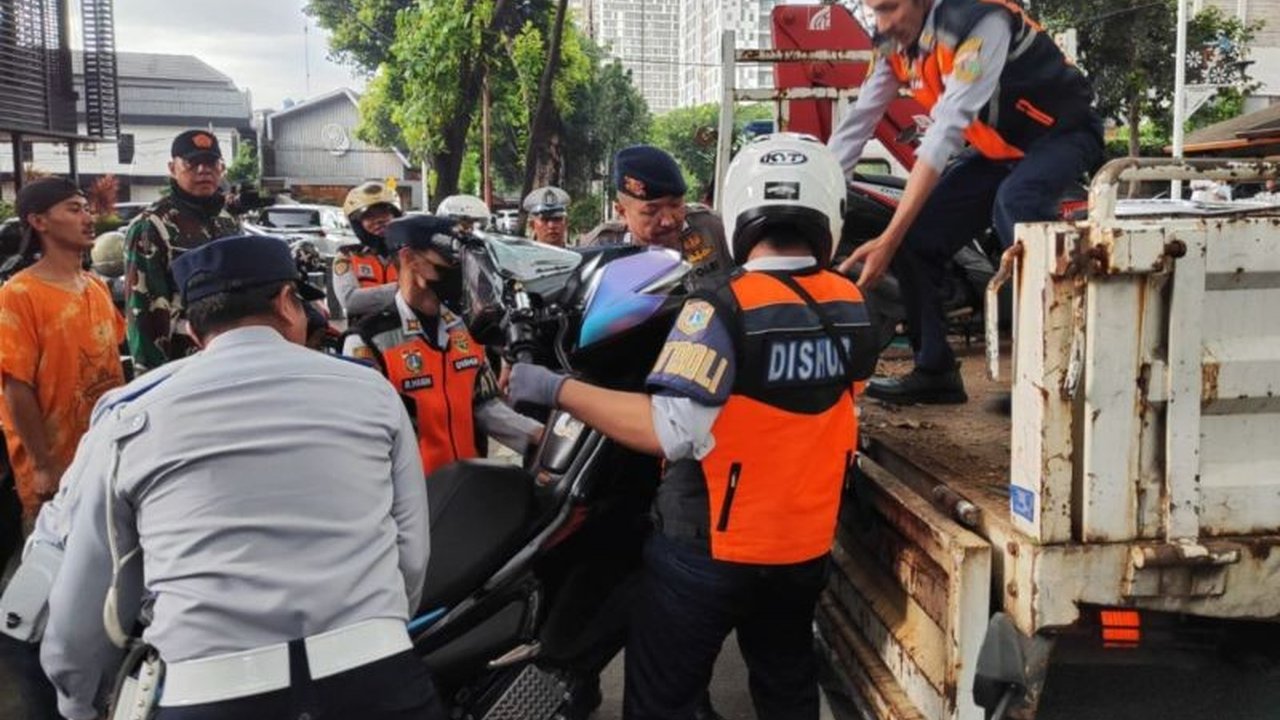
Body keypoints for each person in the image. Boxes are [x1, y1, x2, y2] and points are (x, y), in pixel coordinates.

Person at [509, 135, 874, 720]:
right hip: (801, 544)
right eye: (650, 209)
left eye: (673, 206)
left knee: (664, 694)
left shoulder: (720, 306)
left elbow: (673, 429)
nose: (668, 220)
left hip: (712, 539)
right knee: (786, 683)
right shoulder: (856, 305)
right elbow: (838, 396)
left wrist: (555, 390)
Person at [40, 234, 440, 720]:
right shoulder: (370, 393)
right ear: (287, 303)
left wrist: (78, 701)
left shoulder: (130, 417)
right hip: (377, 679)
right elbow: (411, 555)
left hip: (209, 694)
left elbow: (90, 602)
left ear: (191, 327)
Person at [829, 0, 1103, 404]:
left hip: (1063, 134)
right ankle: (935, 370)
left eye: (890, 9)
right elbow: (857, 124)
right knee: (916, 240)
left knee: (1018, 206)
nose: (883, 24)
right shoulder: (892, 43)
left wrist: (886, 238)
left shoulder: (979, 23)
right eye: (874, 12)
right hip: (1000, 150)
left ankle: (1049, 377)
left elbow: (945, 133)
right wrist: (822, 210)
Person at [344, 215, 542, 474]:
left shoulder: (465, 329)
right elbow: (365, 442)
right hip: (411, 499)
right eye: (448, 258)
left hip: (467, 488)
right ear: (409, 258)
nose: (458, 268)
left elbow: (484, 407)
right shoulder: (367, 340)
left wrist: (543, 438)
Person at [0, 178, 125, 533]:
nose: (87, 218)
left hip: (103, 461)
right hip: (56, 473)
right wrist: (41, 465)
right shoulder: (19, 294)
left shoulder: (96, 286)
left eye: (86, 208)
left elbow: (111, 363)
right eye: (73, 209)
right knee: (49, 576)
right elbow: (15, 385)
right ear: (39, 221)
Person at [124, 129, 241, 373]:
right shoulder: (152, 225)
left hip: (231, 354)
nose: (203, 170)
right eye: (192, 162)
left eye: (210, 162)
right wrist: (150, 378)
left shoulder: (227, 220)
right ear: (172, 167)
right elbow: (143, 310)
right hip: (183, 361)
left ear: (221, 168)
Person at [580, 145, 732, 289]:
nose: (668, 221)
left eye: (675, 205)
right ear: (622, 212)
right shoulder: (599, 250)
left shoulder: (711, 228)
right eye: (651, 212)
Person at [333, 181, 403, 322]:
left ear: (396, 215)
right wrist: (407, 288)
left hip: (410, 333)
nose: (378, 220)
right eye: (369, 216)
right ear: (358, 223)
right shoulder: (347, 256)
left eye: (384, 213)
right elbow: (350, 301)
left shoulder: (412, 253)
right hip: (364, 335)